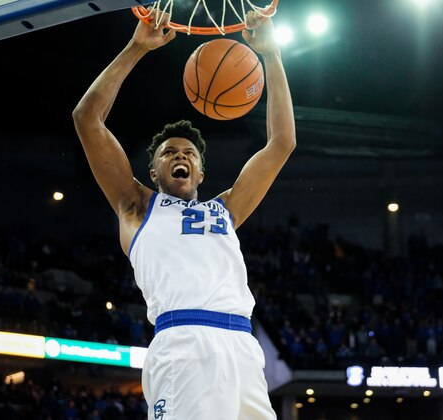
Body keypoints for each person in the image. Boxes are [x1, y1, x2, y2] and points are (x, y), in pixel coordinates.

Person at [72, 7, 295, 420]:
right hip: (184, 344)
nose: (180, 156)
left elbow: (281, 143)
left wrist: (272, 55)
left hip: (243, 349)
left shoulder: (225, 209)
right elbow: (87, 120)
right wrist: (136, 48)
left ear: (201, 171)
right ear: (153, 170)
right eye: (169, 153)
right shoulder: (136, 206)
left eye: (188, 153)